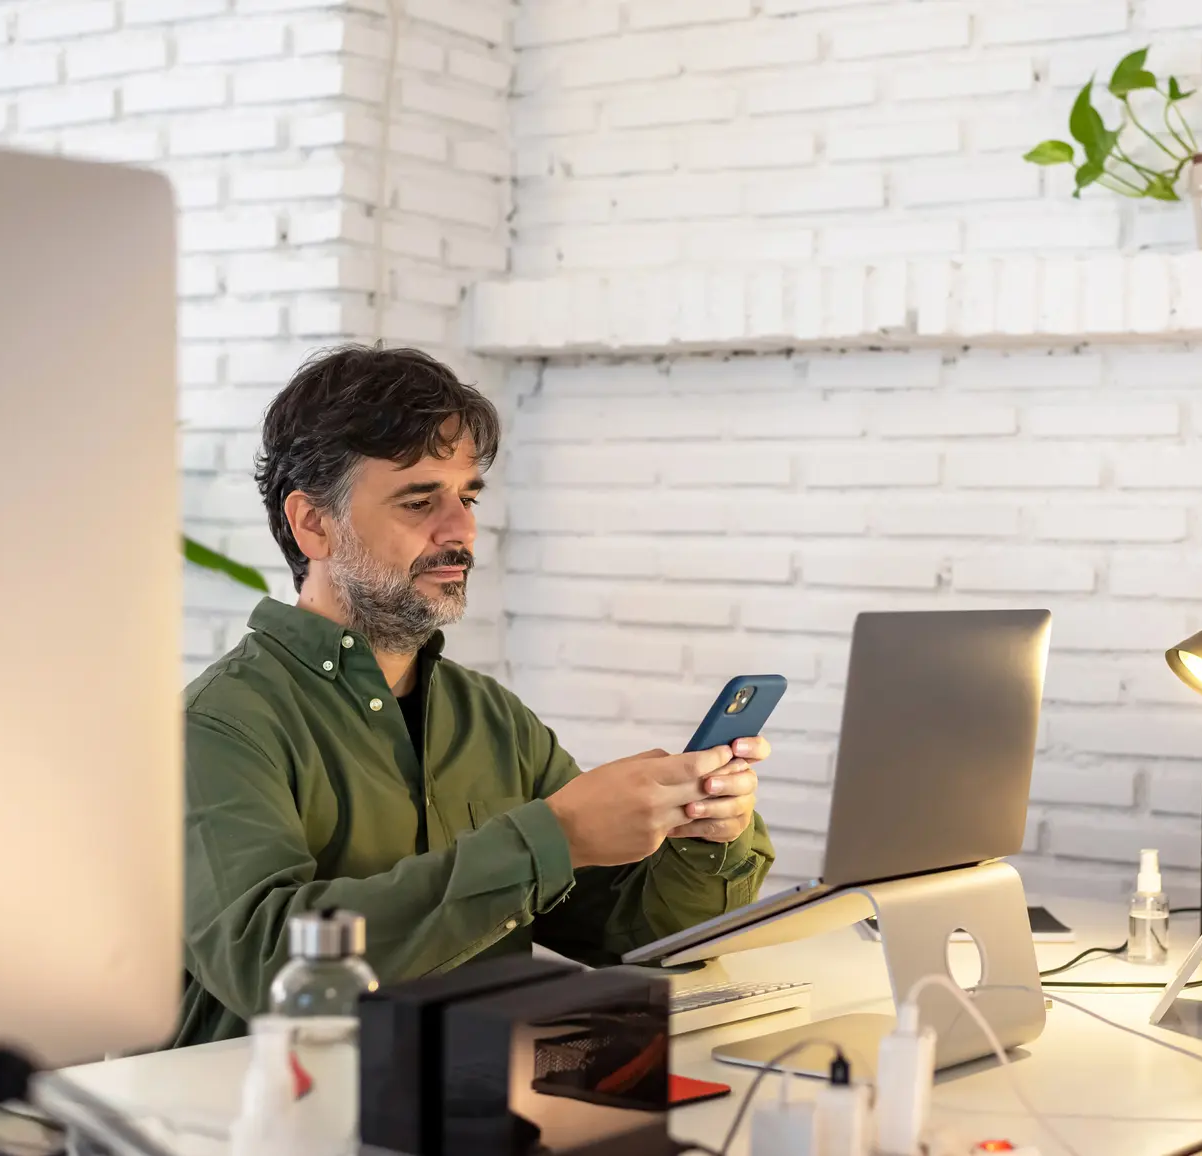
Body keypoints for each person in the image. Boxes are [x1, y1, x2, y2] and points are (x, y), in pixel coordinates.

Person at [171, 344, 774, 1047]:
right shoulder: (216, 727)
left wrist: (706, 836)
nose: (461, 530)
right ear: (314, 524)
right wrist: (557, 835)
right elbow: (268, 967)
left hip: (471, 1107)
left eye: (468, 497)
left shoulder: (491, 720)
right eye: (420, 500)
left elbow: (640, 938)